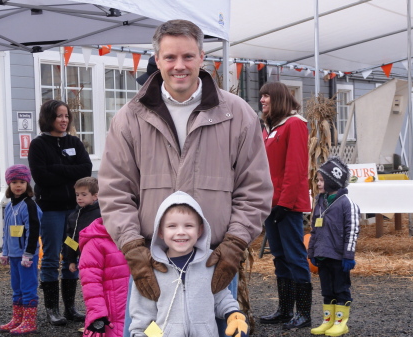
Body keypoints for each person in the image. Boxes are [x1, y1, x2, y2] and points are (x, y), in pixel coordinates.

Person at [98, 19, 272, 333]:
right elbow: (115, 192)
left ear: (202, 57)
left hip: (213, 264)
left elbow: (255, 188)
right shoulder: (130, 118)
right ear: (158, 61)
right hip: (152, 264)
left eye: (188, 56)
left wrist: (234, 244)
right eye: (170, 57)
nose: (180, 66)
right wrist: (133, 249)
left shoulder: (236, 114)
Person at [129, 191, 249, 337]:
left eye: (188, 226)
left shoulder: (211, 262)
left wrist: (233, 315)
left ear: (200, 230)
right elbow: (142, 314)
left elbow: (221, 297)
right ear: (160, 232)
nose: (181, 232)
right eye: (172, 226)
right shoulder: (150, 269)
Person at [28, 99, 92, 326]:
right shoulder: (38, 145)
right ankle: (52, 310)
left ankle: (71, 308)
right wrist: (68, 172)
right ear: (48, 118)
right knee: (52, 258)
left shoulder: (75, 141)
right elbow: (41, 177)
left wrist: (57, 168)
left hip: (74, 213)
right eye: (58, 116)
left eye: (66, 116)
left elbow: (86, 170)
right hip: (52, 211)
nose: (64, 120)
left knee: (72, 255)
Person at [259, 81, 312, 330]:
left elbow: (296, 168)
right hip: (271, 204)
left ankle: (303, 313)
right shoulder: (269, 128)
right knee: (280, 257)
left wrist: (285, 203)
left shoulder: (295, 124)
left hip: (286, 205)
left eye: (266, 96)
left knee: (295, 256)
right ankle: (284, 309)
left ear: (278, 98)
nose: (262, 100)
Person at [308, 157, 360, 336]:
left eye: (321, 180)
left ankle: (341, 322)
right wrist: (312, 251)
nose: (318, 184)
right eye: (318, 180)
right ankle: (328, 321)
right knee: (327, 290)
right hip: (323, 255)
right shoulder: (320, 202)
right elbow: (314, 229)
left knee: (341, 289)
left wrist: (348, 256)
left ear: (332, 181)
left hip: (339, 257)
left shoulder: (347, 203)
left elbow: (352, 231)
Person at [0, 165, 42, 334]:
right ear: (9, 184)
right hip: (14, 255)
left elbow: (33, 231)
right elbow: (6, 231)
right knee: (16, 287)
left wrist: (28, 254)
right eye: (14, 182)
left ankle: (29, 321)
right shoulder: (9, 206)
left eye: (22, 181)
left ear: (27, 183)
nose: (18, 185)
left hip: (26, 257)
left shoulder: (29, 205)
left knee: (28, 287)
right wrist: (4, 252)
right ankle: (17, 318)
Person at [79, 217, 130, 337]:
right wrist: (97, 315)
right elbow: (90, 282)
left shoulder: (138, 238)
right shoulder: (96, 242)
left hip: (138, 312)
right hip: (110, 315)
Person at [63, 177, 101, 322]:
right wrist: (71, 260)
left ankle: (103, 319)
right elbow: (71, 240)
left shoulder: (101, 214)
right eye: (77, 194)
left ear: (95, 196)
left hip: (100, 260)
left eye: (84, 194)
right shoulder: (74, 216)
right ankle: (92, 319)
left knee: (101, 290)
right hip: (84, 261)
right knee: (89, 292)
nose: (79, 198)